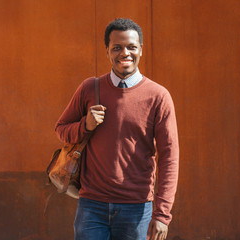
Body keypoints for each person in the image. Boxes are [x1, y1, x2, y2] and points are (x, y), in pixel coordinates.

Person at [55, 18, 179, 240]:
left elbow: (169, 157)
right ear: (107, 51)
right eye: (117, 47)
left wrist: (162, 214)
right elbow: (61, 130)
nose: (125, 53)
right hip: (91, 206)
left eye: (131, 47)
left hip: (137, 208)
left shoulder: (158, 96)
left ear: (141, 49)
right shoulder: (89, 88)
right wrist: (85, 125)